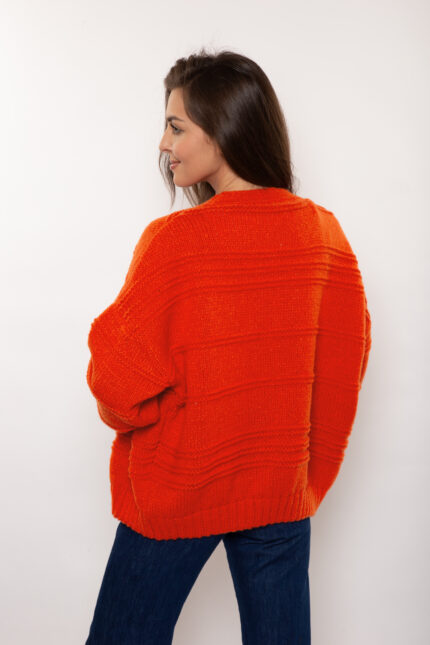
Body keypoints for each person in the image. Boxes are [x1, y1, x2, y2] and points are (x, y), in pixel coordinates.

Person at [85, 47, 371, 645]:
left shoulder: (174, 241)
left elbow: (116, 381)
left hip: (179, 488)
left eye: (176, 126)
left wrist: (161, 417)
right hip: (280, 492)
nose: (163, 144)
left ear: (222, 128)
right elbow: (343, 369)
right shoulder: (323, 233)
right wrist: (301, 477)